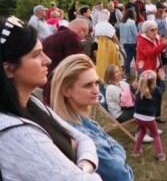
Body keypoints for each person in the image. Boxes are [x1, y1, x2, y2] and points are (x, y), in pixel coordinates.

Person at [0, 16, 100, 180]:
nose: (47, 60)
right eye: (36, 54)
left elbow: (84, 138)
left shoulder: (31, 103)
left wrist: (82, 165)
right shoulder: (17, 135)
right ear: (9, 69)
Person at [50, 54, 134, 180]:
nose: (96, 90)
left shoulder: (84, 121)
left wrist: (114, 153)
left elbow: (117, 146)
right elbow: (122, 175)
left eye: (96, 83)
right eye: (87, 85)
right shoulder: (80, 134)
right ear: (66, 90)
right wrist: (117, 155)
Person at [42, 18, 89, 105]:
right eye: (85, 35)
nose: (82, 38)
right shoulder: (72, 36)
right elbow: (76, 65)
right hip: (63, 91)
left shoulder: (48, 38)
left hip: (48, 89)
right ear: (82, 30)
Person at [137, 20, 167, 122]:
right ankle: (148, 117)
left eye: (156, 29)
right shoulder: (142, 40)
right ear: (146, 31)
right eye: (152, 30)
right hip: (146, 70)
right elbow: (150, 54)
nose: (155, 31)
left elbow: (161, 49)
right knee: (148, 94)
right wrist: (163, 44)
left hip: (156, 69)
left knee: (158, 94)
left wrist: (165, 45)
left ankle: (156, 116)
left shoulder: (156, 38)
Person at [132, 69, 167, 160]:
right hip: (149, 119)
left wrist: (140, 69)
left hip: (138, 117)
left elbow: (141, 77)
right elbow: (162, 90)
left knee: (142, 131)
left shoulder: (139, 88)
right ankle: (160, 155)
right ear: (153, 81)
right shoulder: (154, 89)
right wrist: (162, 79)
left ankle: (136, 150)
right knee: (155, 134)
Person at [94, 10, 121, 80]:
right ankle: (112, 76)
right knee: (110, 60)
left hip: (100, 44)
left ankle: (103, 75)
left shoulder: (97, 25)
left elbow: (95, 36)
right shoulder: (108, 25)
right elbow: (114, 37)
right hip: (108, 43)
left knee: (102, 60)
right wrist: (118, 44)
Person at [119, 10, 138, 77]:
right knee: (137, 57)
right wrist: (138, 40)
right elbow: (135, 33)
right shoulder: (132, 22)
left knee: (128, 57)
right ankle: (137, 71)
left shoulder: (122, 22)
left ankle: (127, 72)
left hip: (125, 42)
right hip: (132, 42)